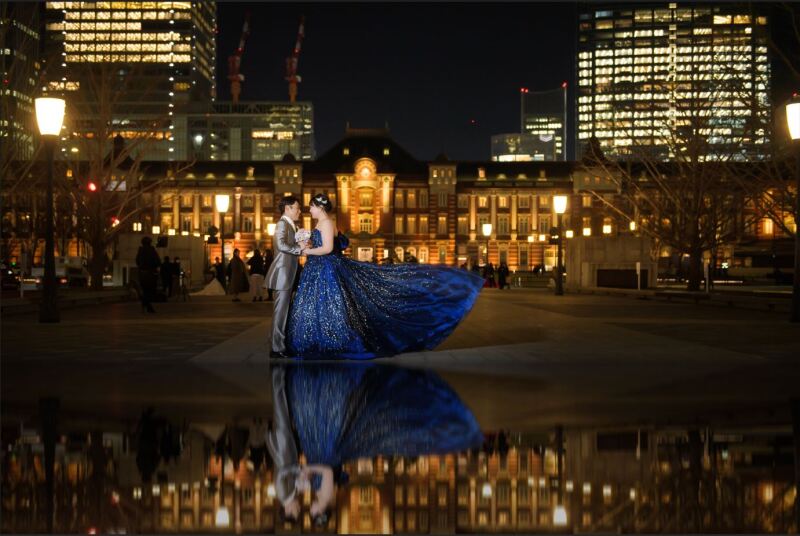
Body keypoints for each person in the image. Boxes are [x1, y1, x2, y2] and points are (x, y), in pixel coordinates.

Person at [282, 363, 483, 525]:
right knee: (329, 421)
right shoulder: (324, 496)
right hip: (324, 453)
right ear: (321, 511)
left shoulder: (316, 495)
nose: (310, 510)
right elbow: (325, 472)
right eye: (314, 513)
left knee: (326, 419)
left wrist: (303, 474)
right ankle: (335, 383)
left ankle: (331, 385)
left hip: (321, 453)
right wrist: (307, 468)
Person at [286, 194, 483, 359]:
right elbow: (326, 245)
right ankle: (315, 339)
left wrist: (306, 252)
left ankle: (329, 340)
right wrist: (307, 246)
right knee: (319, 306)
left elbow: (328, 248)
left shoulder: (327, 222)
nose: (309, 209)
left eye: (311, 206)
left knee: (329, 305)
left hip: (325, 269)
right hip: (316, 269)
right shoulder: (320, 222)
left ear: (319, 207)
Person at [265, 195, 304, 359]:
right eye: (297, 208)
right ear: (288, 208)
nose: (299, 211)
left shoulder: (290, 225)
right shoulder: (282, 223)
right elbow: (280, 245)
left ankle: (280, 344)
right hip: (283, 274)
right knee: (280, 312)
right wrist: (298, 248)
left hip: (288, 273)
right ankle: (276, 348)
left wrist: (299, 240)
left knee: (284, 311)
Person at [135, 236, 160, 313]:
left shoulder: (140, 251)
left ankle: (146, 305)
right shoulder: (152, 250)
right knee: (150, 291)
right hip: (150, 273)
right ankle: (148, 306)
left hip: (142, 273)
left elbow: (137, 261)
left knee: (145, 290)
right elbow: (157, 261)